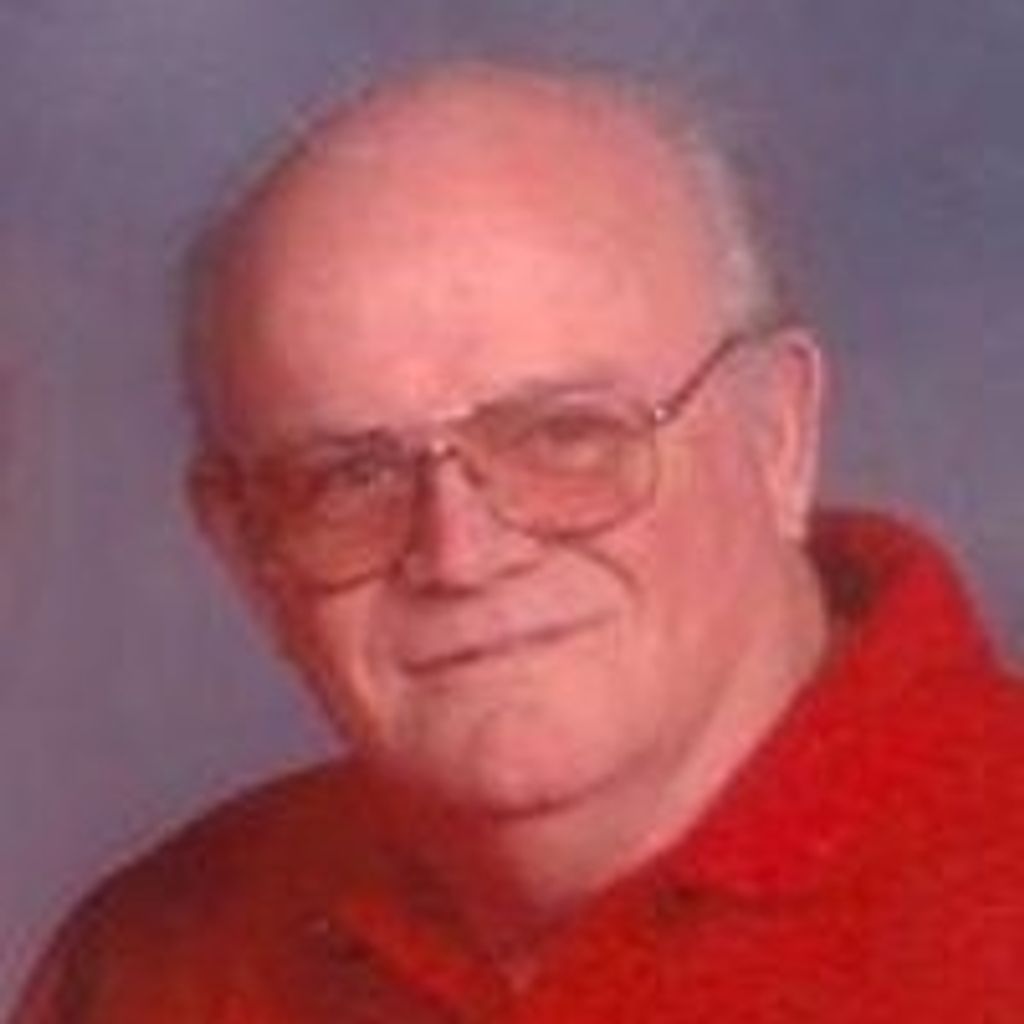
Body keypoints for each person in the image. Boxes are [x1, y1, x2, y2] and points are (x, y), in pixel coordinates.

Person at [12, 61, 1024, 1023]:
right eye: (350, 476)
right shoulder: (154, 963)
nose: (462, 554)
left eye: (565, 436)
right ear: (244, 552)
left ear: (776, 435)